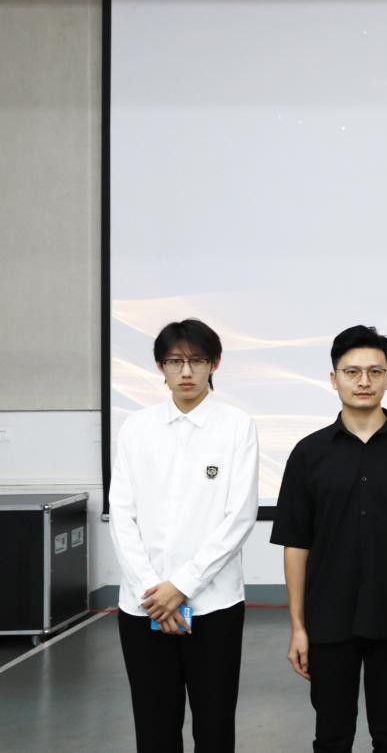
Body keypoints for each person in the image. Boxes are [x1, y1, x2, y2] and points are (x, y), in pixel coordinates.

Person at [270, 325, 387, 752]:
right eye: (352, 372)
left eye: (374, 372)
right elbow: (296, 545)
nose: (364, 381)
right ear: (334, 379)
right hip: (328, 620)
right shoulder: (308, 453)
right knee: (331, 735)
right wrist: (298, 627)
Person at [108, 318, 259, 752]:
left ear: (215, 364)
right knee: (154, 727)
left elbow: (238, 517)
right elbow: (122, 515)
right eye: (175, 362)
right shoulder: (137, 428)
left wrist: (181, 586)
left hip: (213, 605)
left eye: (197, 361)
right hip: (144, 607)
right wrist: (153, 591)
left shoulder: (236, 426)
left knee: (214, 726)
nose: (186, 371)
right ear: (161, 366)